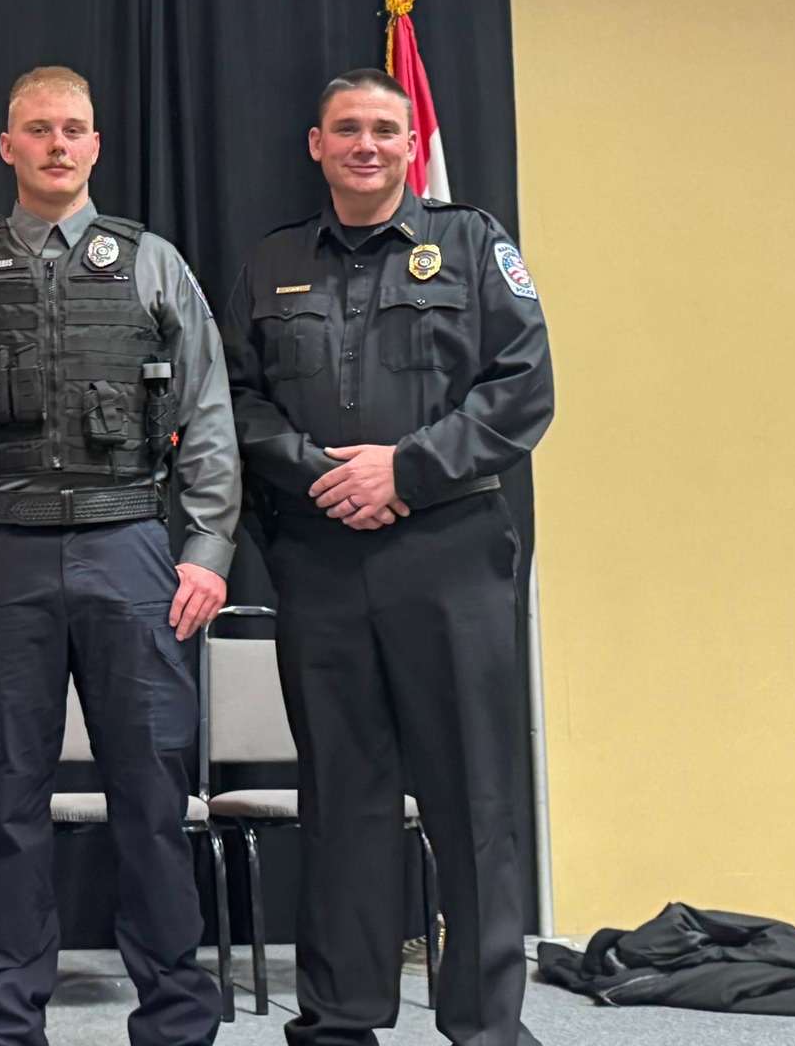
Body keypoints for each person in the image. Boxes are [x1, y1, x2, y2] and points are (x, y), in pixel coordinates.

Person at [0, 64, 238, 1046]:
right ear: (7, 146)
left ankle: (174, 1020)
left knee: (152, 803)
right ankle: (4, 1023)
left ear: (94, 144)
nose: (55, 143)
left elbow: (206, 413)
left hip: (129, 550)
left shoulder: (151, 264)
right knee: (7, 806)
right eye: (36, 129)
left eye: (72, 128)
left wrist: (206, 548)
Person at [219, 67, 554, 1046]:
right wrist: (317, 471)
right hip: (321, 564)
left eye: (382, 129)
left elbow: (521, 389)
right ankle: (338, 1019)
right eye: (345, 129)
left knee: (472, 802)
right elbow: (233, 402)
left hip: (447, 557)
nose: (365, 144)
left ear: (409, 146)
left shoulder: (470, 245)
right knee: (342, 803)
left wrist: (404, 470)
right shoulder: (270, 263)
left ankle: (484, 1026)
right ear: (314, 146)